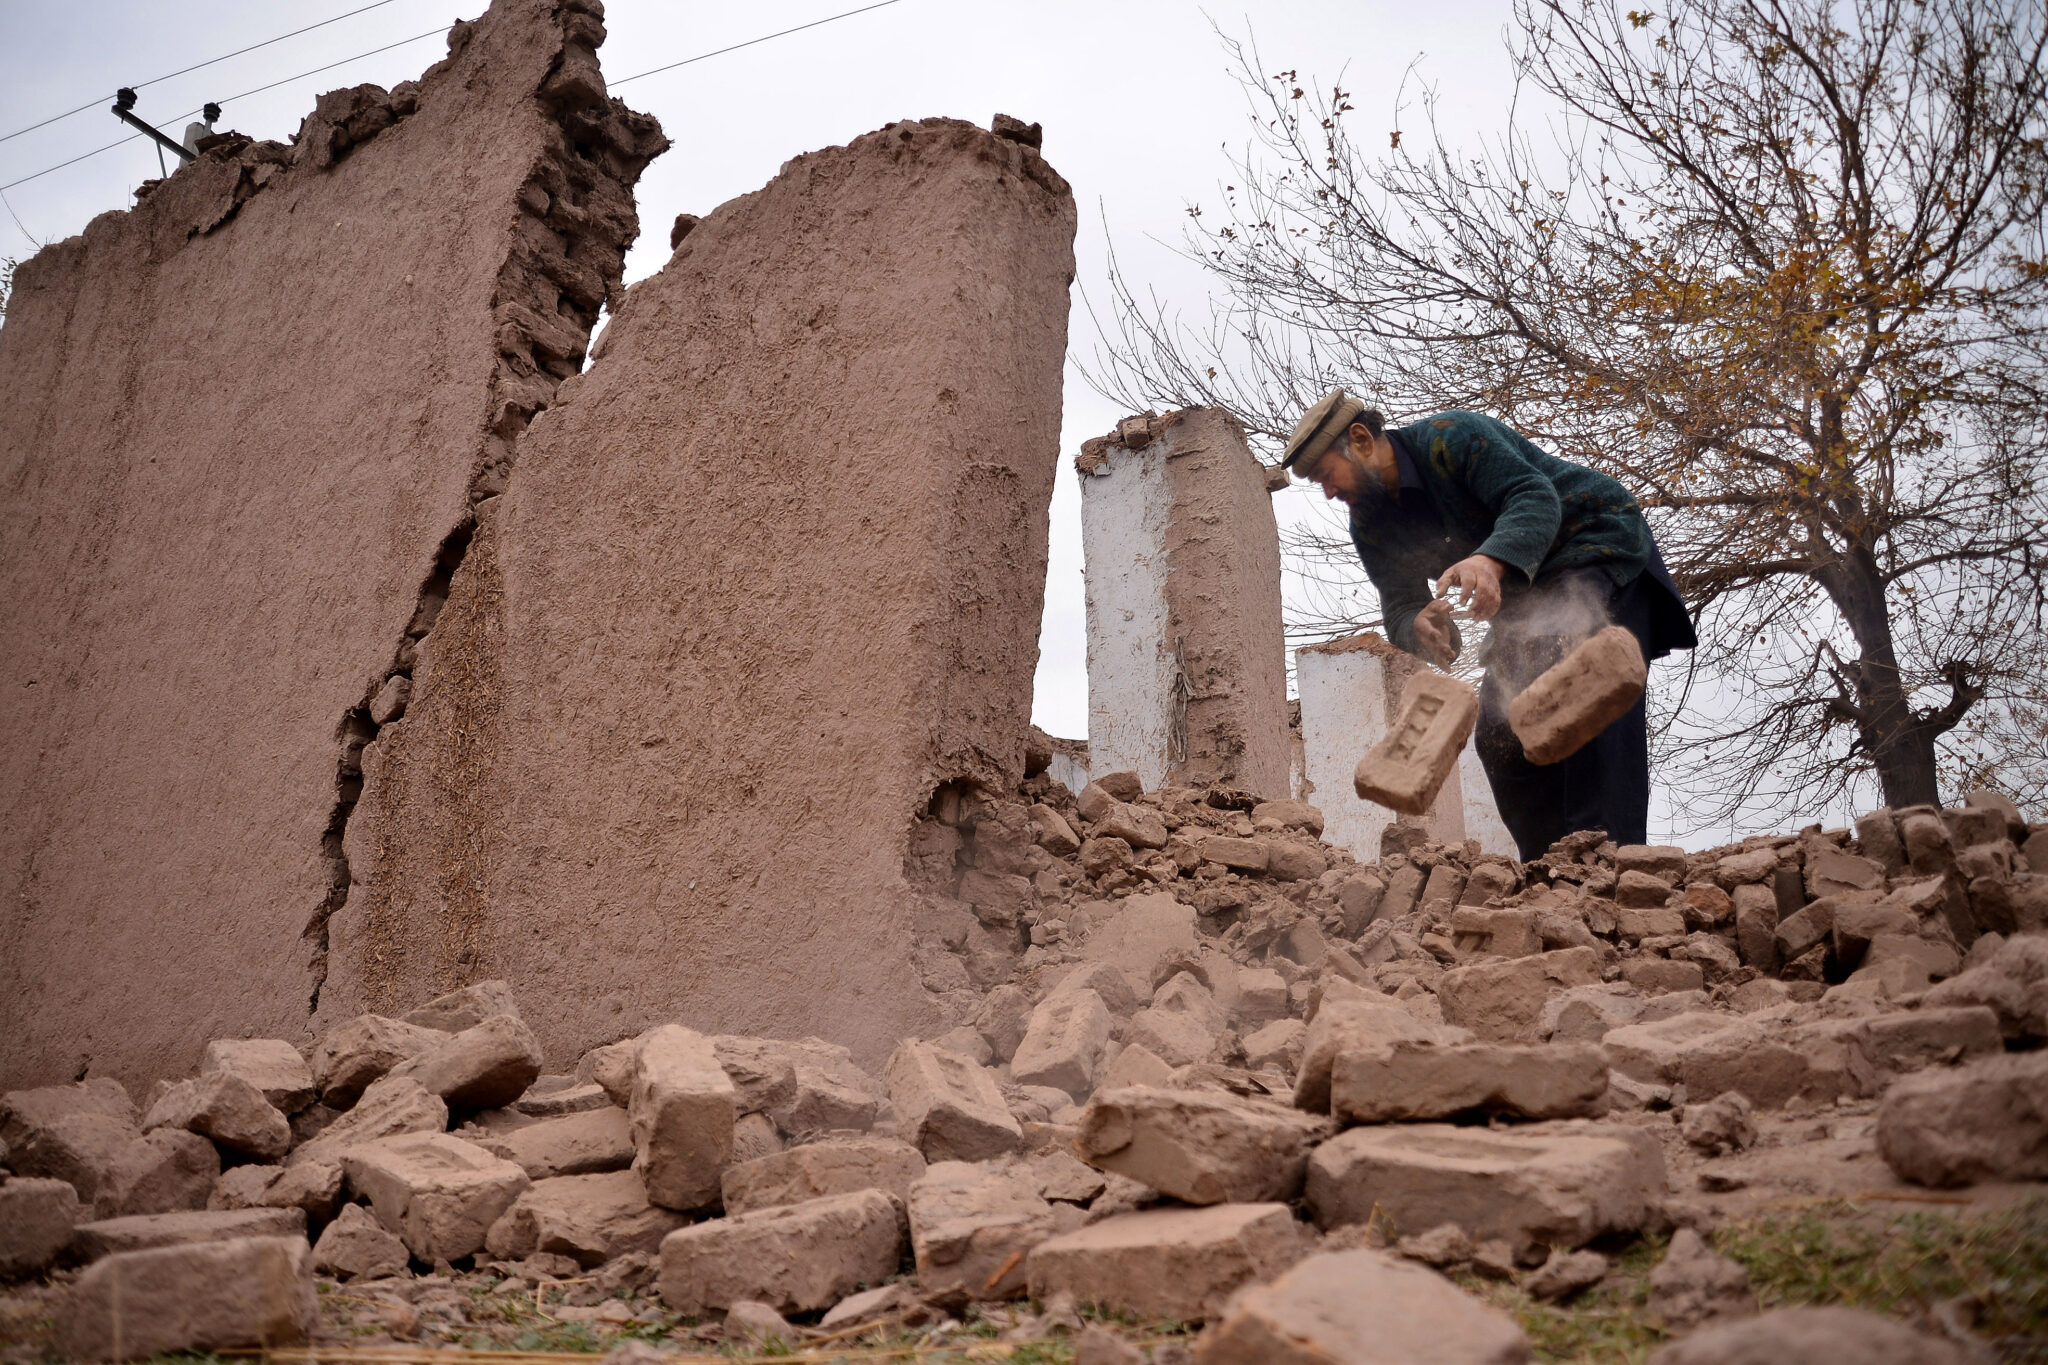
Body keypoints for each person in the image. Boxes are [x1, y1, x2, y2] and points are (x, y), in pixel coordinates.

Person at [1281, 390, 1696, 859]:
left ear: (1359, 440)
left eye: (1324, 476)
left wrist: (1489, 560)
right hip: (1525, 602)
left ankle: (1607, 860)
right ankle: (1551, 869)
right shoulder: (1370, 522)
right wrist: (1418, 623)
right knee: (1500, 733)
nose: (1329, 493)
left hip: (1593, 549)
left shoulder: (1453, 438)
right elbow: (1398, 603)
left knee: (1583, 684)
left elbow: (1534, 497)